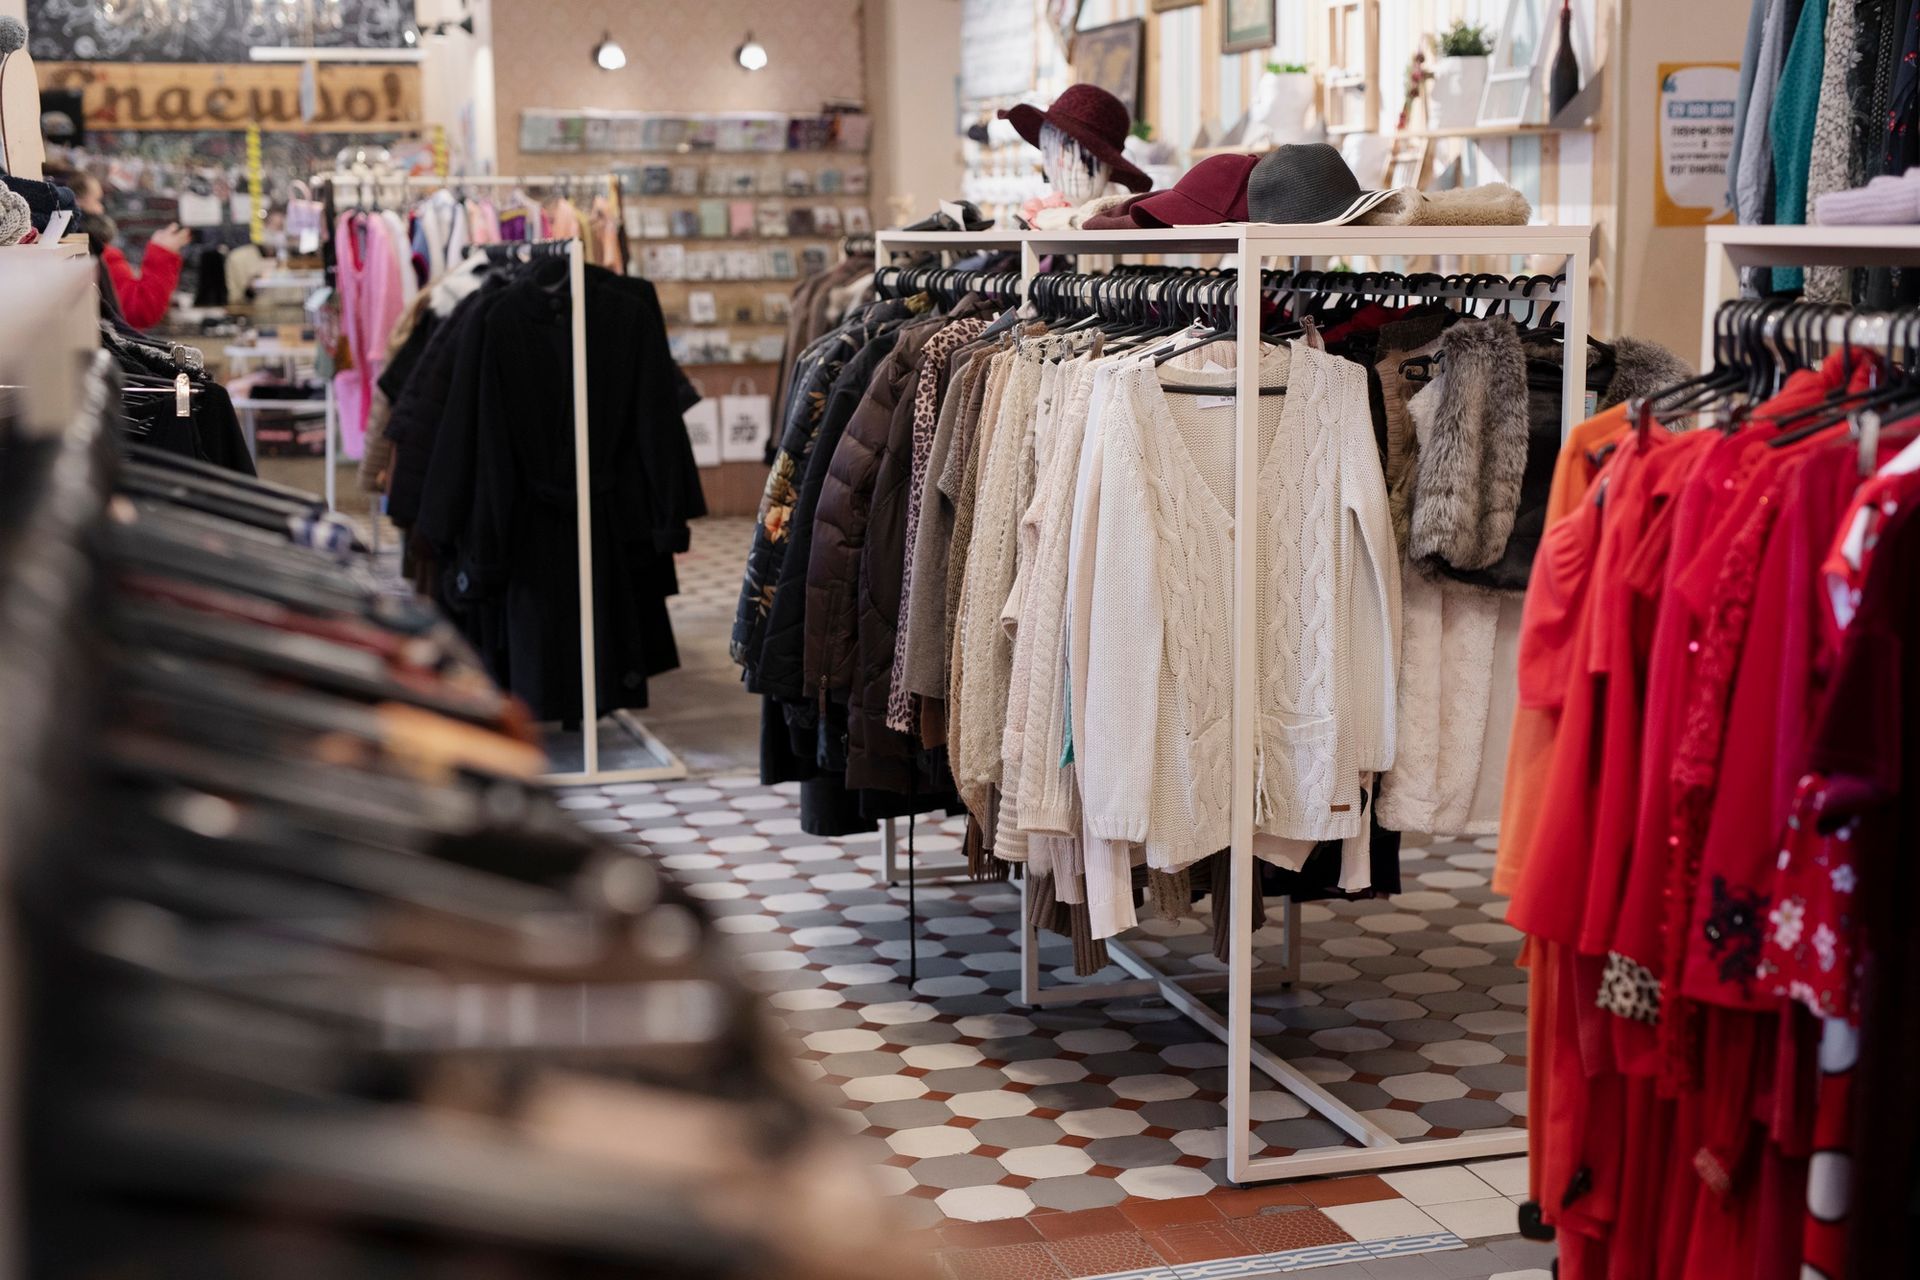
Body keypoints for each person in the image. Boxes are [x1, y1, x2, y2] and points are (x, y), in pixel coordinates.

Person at [51, 164, 189, 330]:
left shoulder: (57, 247)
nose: (101, 208)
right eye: (97, 200)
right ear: (77, 203)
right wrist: (162, 253)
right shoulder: (94, 250)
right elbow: (138, 311)